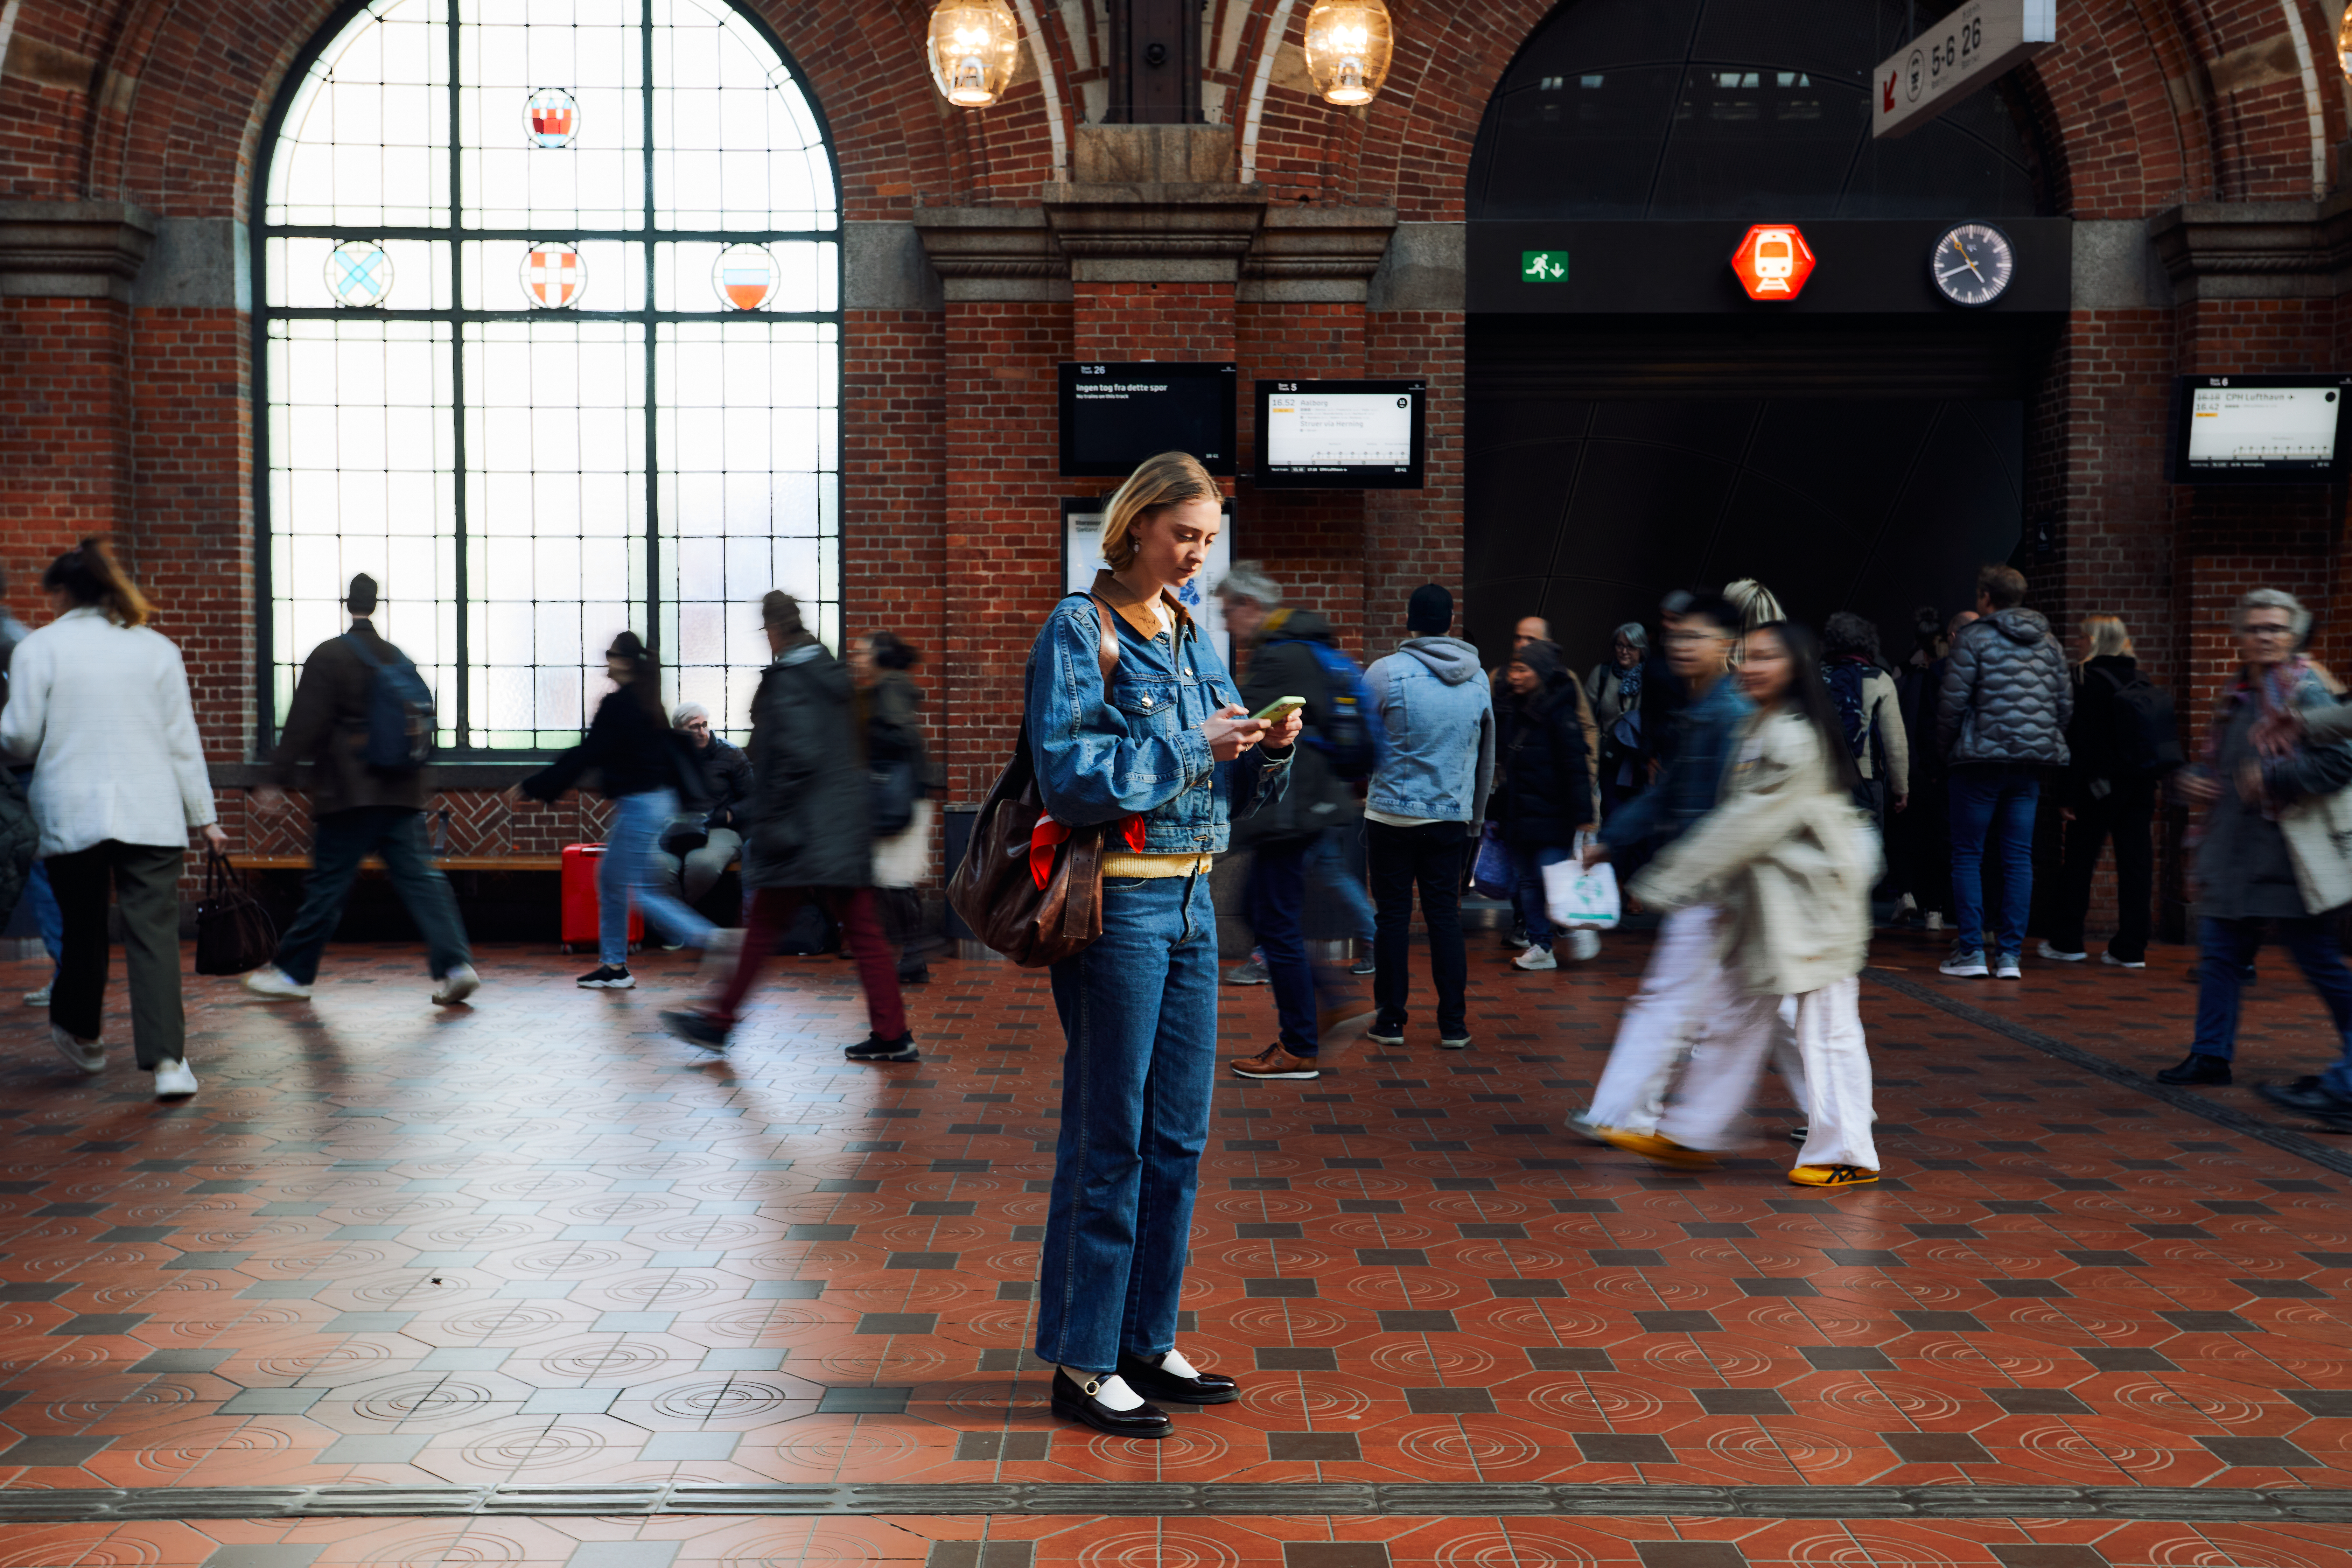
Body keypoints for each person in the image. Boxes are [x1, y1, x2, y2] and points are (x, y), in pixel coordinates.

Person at [1009, 452, 1297, 1438]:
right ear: (1134, 527)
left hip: (1192, 905)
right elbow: (1071, 779)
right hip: (1120, 912)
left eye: (1209, 542)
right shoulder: (1077, 629)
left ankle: (1146, 1338)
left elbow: (1224, 793)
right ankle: (1084, 1360)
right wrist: (1192, 748)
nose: (1196, 558)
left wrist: (1268, 754)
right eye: (1185, 536)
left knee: (1178, 1135)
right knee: (1111, 1136)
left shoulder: (1191, 632)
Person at [1621, 620, 1881, 1187]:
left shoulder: (1792, 738)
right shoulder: (1761, 728)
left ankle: (1847, 1152)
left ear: (1794, 670)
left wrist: (1666, 879)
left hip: (1816, 908)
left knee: (1828, 1027)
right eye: (1748, 655)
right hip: (1772, 905)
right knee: (1735, 1016)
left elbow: (1744, 825)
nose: (1751, 666)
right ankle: (1695, 1130)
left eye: (1766, 657)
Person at [1, 540, 222, 1099]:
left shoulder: (38, 649)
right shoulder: (156, 650)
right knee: (153, 936)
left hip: (71, 810)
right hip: (152, 811)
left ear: (62, 593)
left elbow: (21, 736)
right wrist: (207, 820)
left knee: (83, 929)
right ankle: (170, 1062)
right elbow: (182, 744)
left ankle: (84, 1034)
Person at [661, 594, 910, 1058]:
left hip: (802, 832)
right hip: (838, 827)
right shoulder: (833, 674)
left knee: (767, 928)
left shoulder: (791, 681)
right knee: (862, 933)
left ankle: (719, 1021)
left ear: (773, 631)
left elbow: (792, 761)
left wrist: (768, 818)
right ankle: (893, 1034)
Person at [241, 574, 480, 1006]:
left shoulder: (330, 656)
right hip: (402, 792)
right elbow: (428, 726)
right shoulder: (398, 657)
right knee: (422, 881)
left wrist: (276, 777)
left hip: (349, 794)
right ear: (377, 604)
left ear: (347, 603)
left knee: (329, 885)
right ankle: (457, 965)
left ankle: (293, 974)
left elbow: (303, 725)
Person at [1576, 592, 1753, 1146]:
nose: (1681, 646)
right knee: (1715, 1006)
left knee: (1751, 1013)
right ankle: (1631, 1111)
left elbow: (1732, 808)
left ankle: (1649, 1115)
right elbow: (1671, 792)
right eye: (1678, 636)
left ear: (1725, 646)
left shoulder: (1729, 715)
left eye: (1695, 637)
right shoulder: (1703, 710)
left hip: (1721, 884)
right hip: (1709, 884)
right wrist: (1610, 841)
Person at [2158, 590, 2352, 1091]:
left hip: (2290, 859)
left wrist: (2273, 779)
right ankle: (2210, 1055)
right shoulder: (2238, 692)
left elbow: (2341, 762)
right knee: (2220, 955)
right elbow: (2223, 764)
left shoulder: (2306, 691)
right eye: (2257, 628)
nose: (2266, 636)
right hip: (2236, 855)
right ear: (2240, 636)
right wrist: (2195, 777)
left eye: (2277, 629)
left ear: (2293, 636)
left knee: (2319, 962)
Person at [1219, 565, 1369, 1075]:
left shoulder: (1281, 656)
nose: (1226, 625)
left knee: (1272, 921)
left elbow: (1251, 735)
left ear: (1249, 607)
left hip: (1290, 813)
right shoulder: (1301, 647)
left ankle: (1301, 1044)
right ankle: (1334, 1004)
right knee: (1268, 917)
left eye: (1228, 613)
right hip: (1306, 811)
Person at [508, 631, 719, 988]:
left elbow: (586, 753)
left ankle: (710, 939)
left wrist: (535, 786)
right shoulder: (648, 702)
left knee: (638, 889)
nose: (606, 664)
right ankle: (614, 966)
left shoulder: (621, 705)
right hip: (653, 803)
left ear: (622, 661)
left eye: (610, 656)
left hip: (640, 805)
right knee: (613, 879)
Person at [1363, 583, 1494, 1050]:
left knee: (1393, 919)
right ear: (1450, 622)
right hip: (1450, 820)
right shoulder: (1478, 678)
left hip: (1390, 817)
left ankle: (1392, 1021)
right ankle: (1454, 1025)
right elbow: (1485, 757)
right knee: (1445, 919)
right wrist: (1474, 820)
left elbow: (1359, 738)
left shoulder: (1385, 672)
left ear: (1411, 621)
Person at [1936, 565, 2071, 979]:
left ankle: (1972, 952)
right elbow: (2065, 707)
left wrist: (1946, 752)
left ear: (1985, 598)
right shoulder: (2050, 644)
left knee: (1968, 856)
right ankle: (2010, 957)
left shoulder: (1975, 638)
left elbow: (1952, 705)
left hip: (1979, 763)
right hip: (2028, 768)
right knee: (2018, 859)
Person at [2041, 616, 2164, 971]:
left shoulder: (2084, 679)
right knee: (2136, 865)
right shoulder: (2141, 678)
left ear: (2094, 641)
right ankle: (2131, 948)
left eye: (2081, 637)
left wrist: (2067, 794)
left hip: (2098, 787)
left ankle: (2067, 941)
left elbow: (2078, 742)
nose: (2076, 643)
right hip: (2140, 785)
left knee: (2079, 861)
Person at [1494, 639, 1600, 969]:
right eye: (1514, 668)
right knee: (1528, 882)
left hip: (1552, 817)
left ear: (1540, 674)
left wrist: (1585, 818)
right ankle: (1542, 947)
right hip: (1520, 814)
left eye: (1522, 669)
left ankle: (1575, 926)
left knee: (1550, 879)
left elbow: (1575, 768)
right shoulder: (1514, 707)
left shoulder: (1561, 715)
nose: (1515, 675)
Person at [855, 631, 945, 985]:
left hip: (901, 798)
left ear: (879, 657)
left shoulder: (889, 687)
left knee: (895, 877)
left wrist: (870, 744)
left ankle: (915, 950)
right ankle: (912, 954)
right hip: (905, 796)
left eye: (862, 653)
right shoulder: (891, 685)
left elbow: (902, 737)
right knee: (893, 878)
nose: (857, 659)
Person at [655, 702, 752, 912]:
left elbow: (754, 799)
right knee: (660, 866)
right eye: (694, 727)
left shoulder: (731, 755)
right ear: (679, 731)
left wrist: (728, 815)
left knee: (701, 866)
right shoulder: (668, 757)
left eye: (705, 725)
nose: (702, 732)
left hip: (719, 828)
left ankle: (679, 921)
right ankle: (682, 924)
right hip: (675, 826)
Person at [1820, 611, 1908, 822]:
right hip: (1865, 781)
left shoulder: (1816, 677)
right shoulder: (1879, 679)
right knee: (1868, 850)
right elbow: (1895, 742)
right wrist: (1900, 788)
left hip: (1823, 780)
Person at [1587, 622, 1647, 817]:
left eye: (1631, 647)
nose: (1624, 651)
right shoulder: (1603, 674)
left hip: (1636, 759)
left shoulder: (1651, 679)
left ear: (1642, 649)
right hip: (1610, 754)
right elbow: (1586, 716)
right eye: (1620, 645)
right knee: (1610, 809)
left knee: (1631, 811)